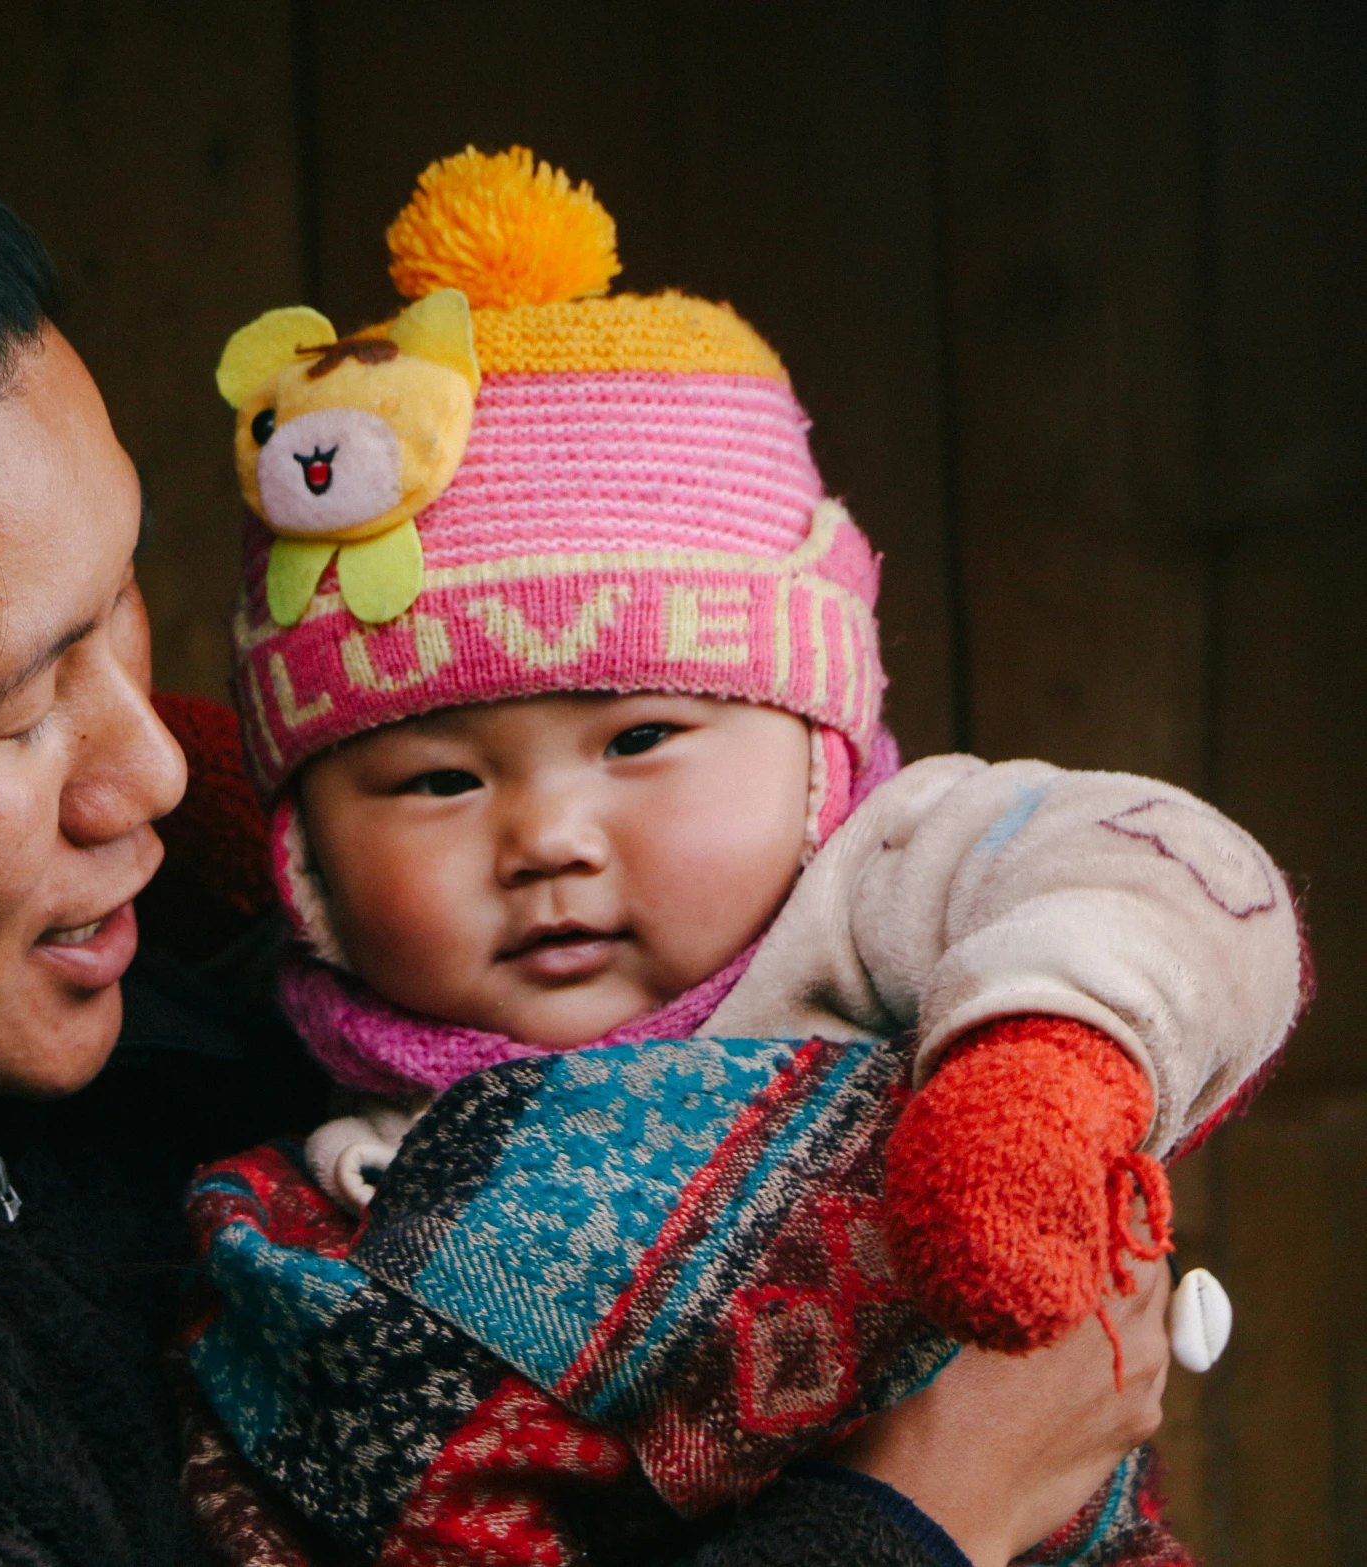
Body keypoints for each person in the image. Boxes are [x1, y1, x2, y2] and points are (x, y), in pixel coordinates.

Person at [0, 105, 1191, 1565]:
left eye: (117, 607)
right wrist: (919, 1518)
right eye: (13, 709)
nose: (146, 776)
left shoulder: (162, 1019)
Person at [182, 149, 1303, 1567]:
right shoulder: (314, 1146)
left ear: (816, 752)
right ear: (306, 869)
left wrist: (1041, 1069)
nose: (547, 838)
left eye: (642, 736)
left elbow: (1168, 874)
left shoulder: (877, 881)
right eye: (436, 779)